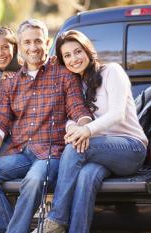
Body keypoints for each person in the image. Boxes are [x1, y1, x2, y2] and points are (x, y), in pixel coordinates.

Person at [0, 19, 92, 233]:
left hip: (51, 154)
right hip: (22, 153)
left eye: (37, 41)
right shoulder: (10, 82)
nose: (33, 47)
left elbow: (79, 110)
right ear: (20, 45)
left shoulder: (64, 75)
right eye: (27, 42)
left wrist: (84, 128)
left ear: (47, 42)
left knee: (33, 180)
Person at [40, 30, 148, 233]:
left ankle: (56, 219)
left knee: (73, 150)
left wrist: (86, 130)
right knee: (86, 176)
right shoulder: (75, 85)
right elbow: (71, 117)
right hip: (100, 153)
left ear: (88, 50)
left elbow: (117, 114)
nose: (74, 59)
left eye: (77, 51)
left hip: (130, 148)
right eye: (67, 55)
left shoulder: (112, 72)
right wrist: (73, 128)